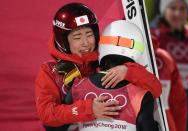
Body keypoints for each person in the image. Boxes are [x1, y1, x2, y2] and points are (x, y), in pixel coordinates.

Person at [35, 3, 162, 131]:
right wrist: (89, 109)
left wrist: (128, 71)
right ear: (64, 42)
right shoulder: (51, 71)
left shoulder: (105, 60)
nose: (85, 43)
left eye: (89, 35)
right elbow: (47, 115)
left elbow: (155, 89)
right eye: (77, 37)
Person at [66, 20, 159, 131]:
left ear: (102, 45)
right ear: (138, 50)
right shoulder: (141, 94)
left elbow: (55, 126)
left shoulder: (78, 87)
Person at [150, 0, 188, 131]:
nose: (178, 13)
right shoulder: (153, 35)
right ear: (163, 11)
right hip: (163, 98)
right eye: (173, 8)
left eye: (182, 9)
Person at [152, 36, 187, 131]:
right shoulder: (165, 57)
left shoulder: (116, 55)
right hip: (163, 121)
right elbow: (178, 101)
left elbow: (177, 100)